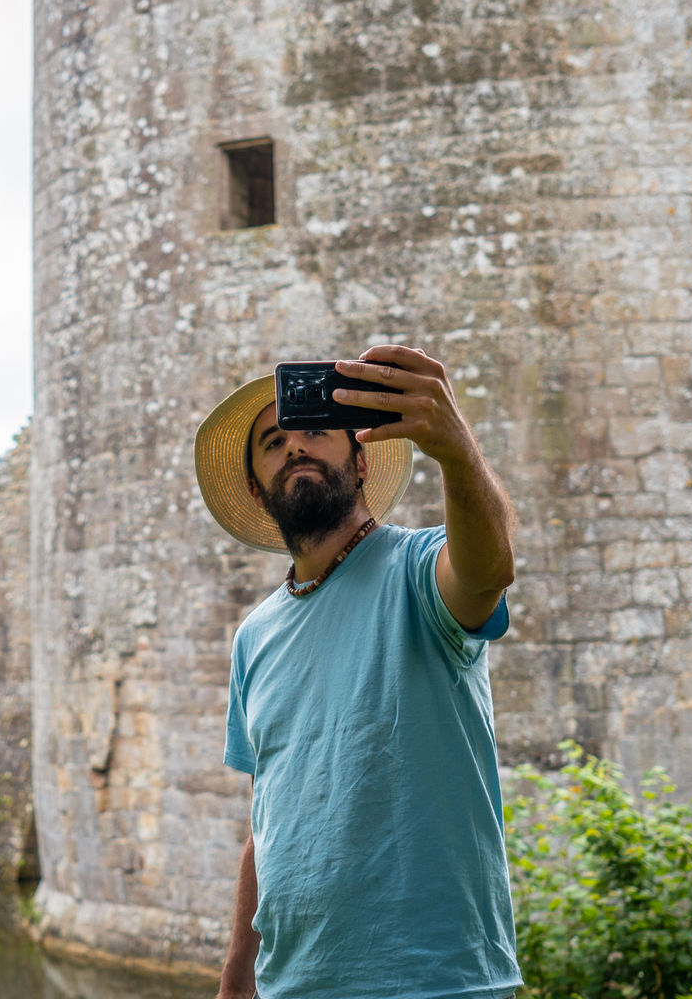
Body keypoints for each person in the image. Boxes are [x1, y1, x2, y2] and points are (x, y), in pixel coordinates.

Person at [192, 345, 522, 999]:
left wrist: (456, 450)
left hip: (437, 983)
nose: (295, 445)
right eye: (273, 442)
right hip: (293, 985)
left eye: (316, 430)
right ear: (257, 489)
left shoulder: (419, 570)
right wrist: (236, 973)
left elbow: (488, 571)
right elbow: (268, 815)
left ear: (362, 459)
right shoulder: (254, 636)